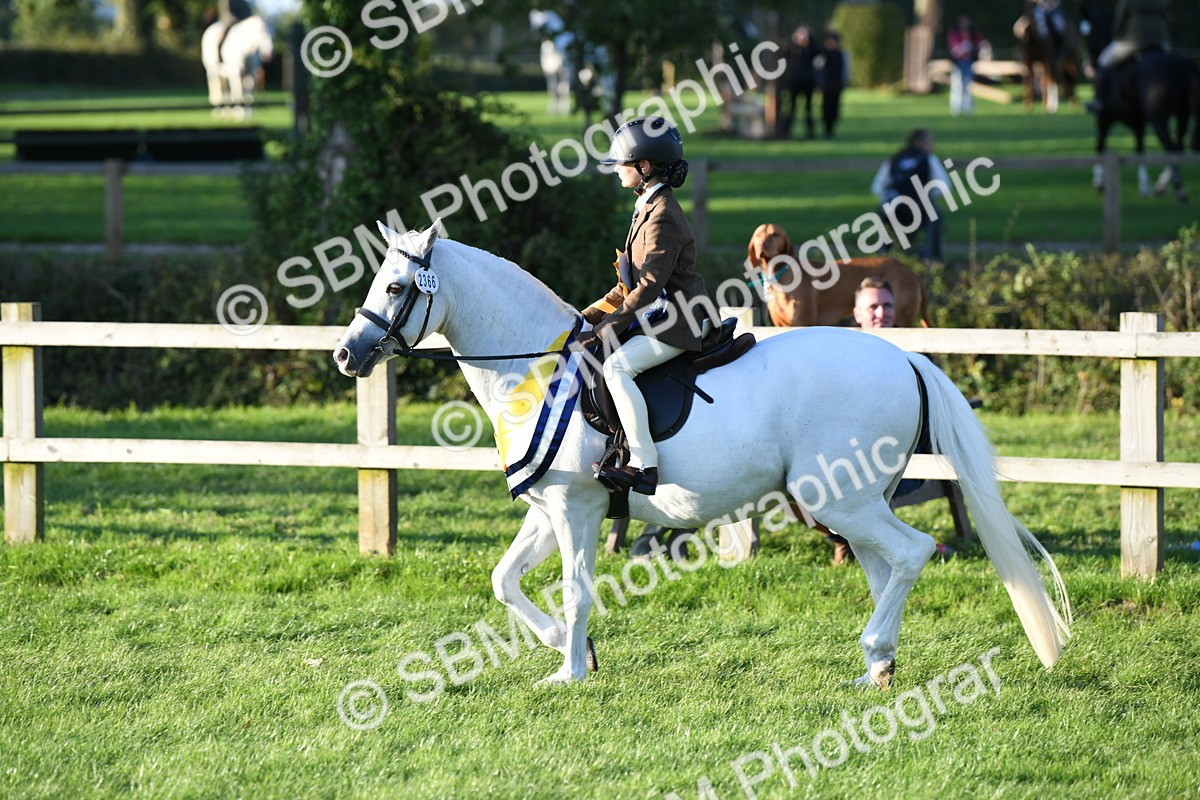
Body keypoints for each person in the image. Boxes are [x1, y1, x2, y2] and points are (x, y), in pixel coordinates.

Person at [580, 116, 717, 496]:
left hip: (683, 318)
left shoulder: (662, 216)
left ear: (644, 166)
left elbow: (648, 287)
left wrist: (606, 331)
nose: (616, 171)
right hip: (663, 313)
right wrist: (584, 317)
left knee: (617, 367)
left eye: (621, 164)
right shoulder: (646, 206)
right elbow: (626, 286)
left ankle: (643, 465)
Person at [870, 129, 952, 262]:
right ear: (919, 142)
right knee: (935, 214)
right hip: (920, 210)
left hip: (894, 211)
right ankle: (933, 258)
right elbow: (944, 185)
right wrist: (927, 196)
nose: (932, 145)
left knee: (882, 212)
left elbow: (877, 187)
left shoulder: (895, 159)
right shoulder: (928, 159)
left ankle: (883, 254)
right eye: (929, 141)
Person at [1088, 0, 1171, 112]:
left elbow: (1120, 19)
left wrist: (1116, 36)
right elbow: (1164, 15)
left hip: (1135, 39)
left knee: (1103, 61)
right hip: (1160, 40)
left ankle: (1100, 101)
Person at [776, 25, 820, 140]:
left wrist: (808, 41)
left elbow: (818, 52)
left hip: (808, 82)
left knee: (808, 108)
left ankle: (810, 132)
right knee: (791, 107)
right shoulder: (792, 48)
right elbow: (784, 53)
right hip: (794, 82)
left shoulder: (811, 49)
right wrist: (795, 42)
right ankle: (786, 131)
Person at [947, 13, 983, 116]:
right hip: (958, 62)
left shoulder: (973, 34)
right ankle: (956, 108)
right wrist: (961, 50)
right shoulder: (954, 33)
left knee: (967, 85)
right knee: (957, 85)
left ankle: (968, 108)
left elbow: (980, 43)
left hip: (969, 62)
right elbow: (953, 47)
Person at [819, 31, 847, 138]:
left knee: (835, 108)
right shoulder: (823, 54)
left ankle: (831, 128)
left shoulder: (840, 54)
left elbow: (844, 70)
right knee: (826, 107)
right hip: (826, 85)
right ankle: (827, 128)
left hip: (836, 85)